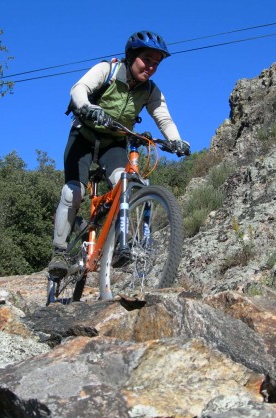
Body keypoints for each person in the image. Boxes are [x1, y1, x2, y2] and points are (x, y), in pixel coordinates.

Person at [48, 30, 189, 277]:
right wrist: (87, 106)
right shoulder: (109, 70)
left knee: (125, 187)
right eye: (147, 59)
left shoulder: (150, 90)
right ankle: (58, 253)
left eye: (156, 63)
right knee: (73, 192)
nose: (151, 67)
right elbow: (79, 88)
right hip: (83, 136)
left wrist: (176, 141)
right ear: (132, 55)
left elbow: (164, 119)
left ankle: (116, 244)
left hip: (114, 143)